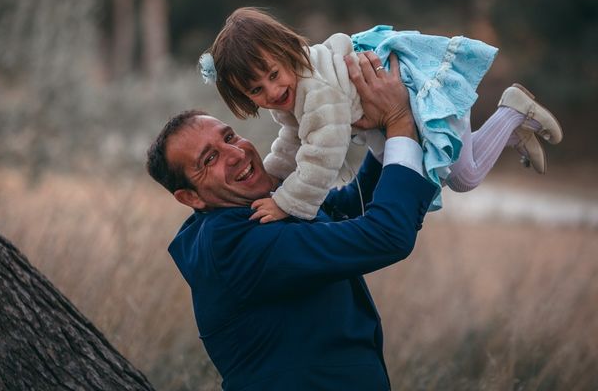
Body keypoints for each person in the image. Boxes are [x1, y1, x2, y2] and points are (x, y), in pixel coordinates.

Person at [146, 54, 438, 390]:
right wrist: (399, 120)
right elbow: (385, 236)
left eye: (229, 137)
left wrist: (379, 130)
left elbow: (346, 209)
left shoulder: (260, 208)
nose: (237, 153)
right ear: (191, 198)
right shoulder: (233, 246)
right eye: (210, 159)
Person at [198, 7, 563, 222]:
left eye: (274, 75)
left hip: (419, 93)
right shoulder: (296, 93)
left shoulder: (316, 89)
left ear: (288, 50)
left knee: (464, 178)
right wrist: (275, 176)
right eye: (256, 90)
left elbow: (322, 154)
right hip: (401, 101)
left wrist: (286, 203)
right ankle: (512, 129)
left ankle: (511, 110)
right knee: (413, 166)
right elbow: (293, 140)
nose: (272, 92)